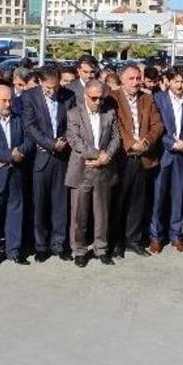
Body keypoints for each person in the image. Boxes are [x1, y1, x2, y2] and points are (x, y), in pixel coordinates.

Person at [107, 65, 164, 256]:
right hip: (122, 157)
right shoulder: (112, 98)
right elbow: (115, 124)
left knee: (138, 202)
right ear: (122, 80)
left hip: (143, 157)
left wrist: (146, 141)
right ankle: (116, 242)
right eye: (131, 79)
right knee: (118, 201)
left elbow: (157, 124)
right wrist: (131, 143)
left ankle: (134, 239)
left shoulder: (147, 98)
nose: (135, 82)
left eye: (138, 78)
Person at [22, 66, 76, 262]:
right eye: (48, 87)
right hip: (41, 157)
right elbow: (29, 126)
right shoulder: (29, 97)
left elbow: (73, 123)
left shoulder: (68, 96)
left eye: (55, 87)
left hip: (62, 156)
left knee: (60, 203)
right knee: (40, 204)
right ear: (40, 82)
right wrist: (50, 143)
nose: (52, 91)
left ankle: (59, 244)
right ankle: (41, 245)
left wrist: (64, 141)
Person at [64, 80, 120, 267]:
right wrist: (98, 154)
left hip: (103, 170)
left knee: (102, 212)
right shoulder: (74, 114)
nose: (97, 102)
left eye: (101, 98)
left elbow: (116, 138)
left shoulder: (109, 113)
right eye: (93, 98)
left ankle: (101, 248)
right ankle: (79, 250)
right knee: (79, 214)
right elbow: (74, 140)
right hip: (82, 169)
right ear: (85, 95)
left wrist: (107, 156)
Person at [150, 66, 183, 253]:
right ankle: (156, 236)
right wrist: (171, 143)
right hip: (164, 154)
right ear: (168, 81)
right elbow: (156, 126)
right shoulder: (158, 99)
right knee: (158, 197)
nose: (180, 84)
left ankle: (176, 235)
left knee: (179, 196)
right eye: (176, 81)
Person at [0, 85, 33, 266]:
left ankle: (14, 250)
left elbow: (29, 140)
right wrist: (7, 156)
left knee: (15, 212)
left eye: (11, 99)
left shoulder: (18, 119)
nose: (8, 103)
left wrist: (20, 151)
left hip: (16, 173)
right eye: (4, 100)